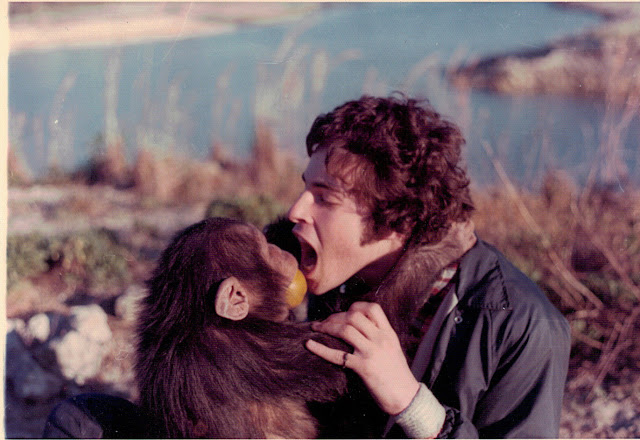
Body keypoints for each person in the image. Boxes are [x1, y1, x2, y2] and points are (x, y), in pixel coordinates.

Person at [287, 94, 571, 438]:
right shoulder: (336, 276)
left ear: (399, 219)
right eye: (305, 188)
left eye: (324, 198)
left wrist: (410, 402)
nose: (295, 211)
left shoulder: (520, 325)